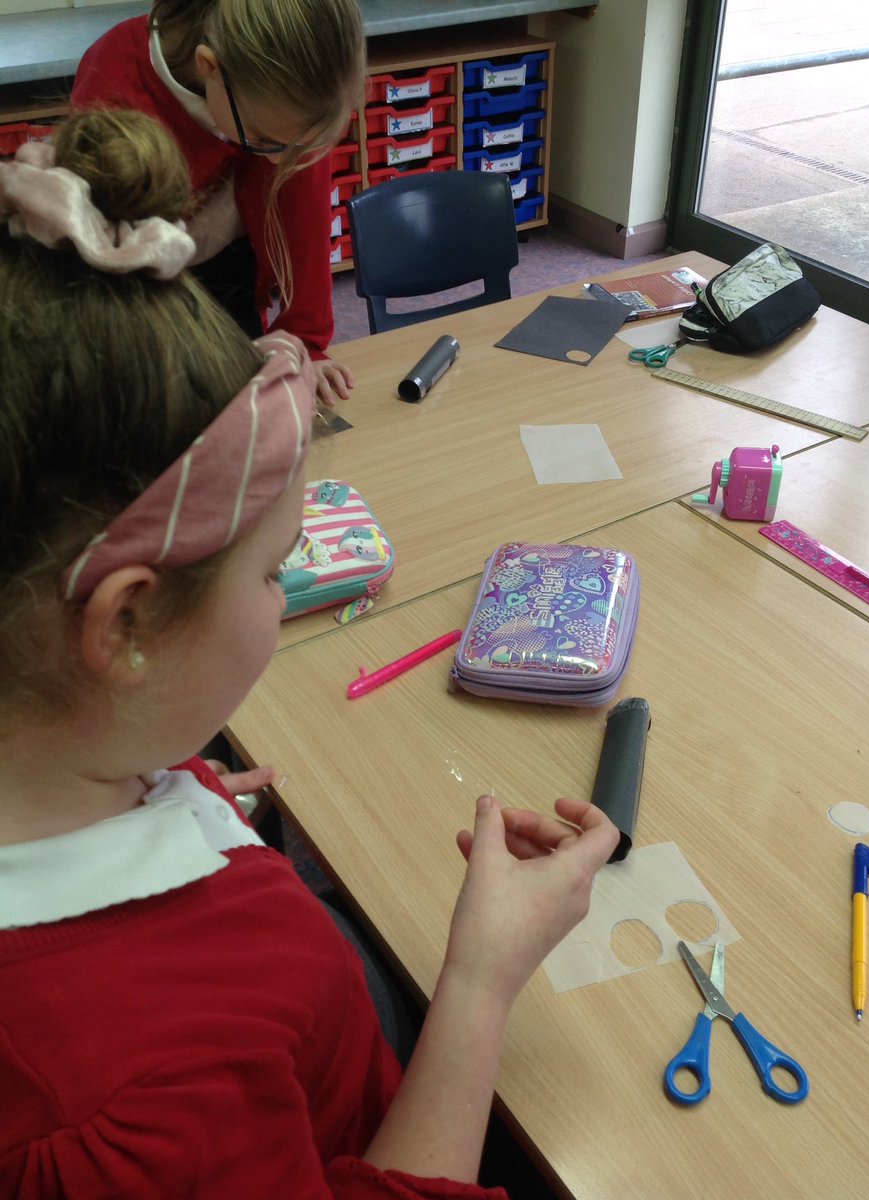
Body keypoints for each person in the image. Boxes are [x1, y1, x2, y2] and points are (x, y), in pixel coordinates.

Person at [0, 109, 621, 1199]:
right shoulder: (142, 1099)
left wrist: (172, 794)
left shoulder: (54, 755)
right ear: (125, 627)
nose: (283, 592)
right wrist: (479, 980)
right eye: (273, 568)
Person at [71, 0, 367, 409]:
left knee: (247, 400)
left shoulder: (292, 94)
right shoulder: (115, 86)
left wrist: (305, 341)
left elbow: (304, 221)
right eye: (265, 140)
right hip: (137, 289)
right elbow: (106, 274)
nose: (281, 162)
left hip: (231, 267)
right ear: (209, 66)